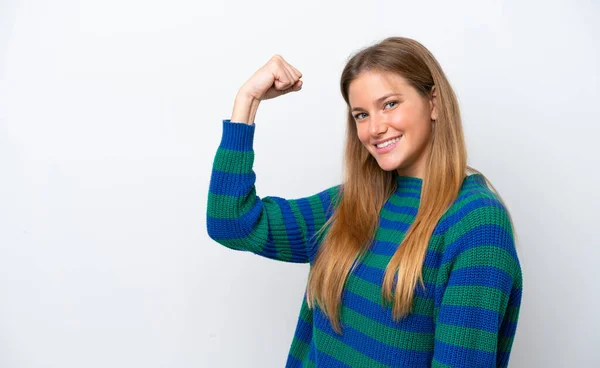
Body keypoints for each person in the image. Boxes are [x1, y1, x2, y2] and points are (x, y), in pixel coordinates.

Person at [206, 36, 523, 367]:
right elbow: (232, 222)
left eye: (389, 104)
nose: (375, 128)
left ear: (434, 102)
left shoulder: (475, 223)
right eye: (360, 114)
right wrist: (248, 100)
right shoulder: (349, 206)